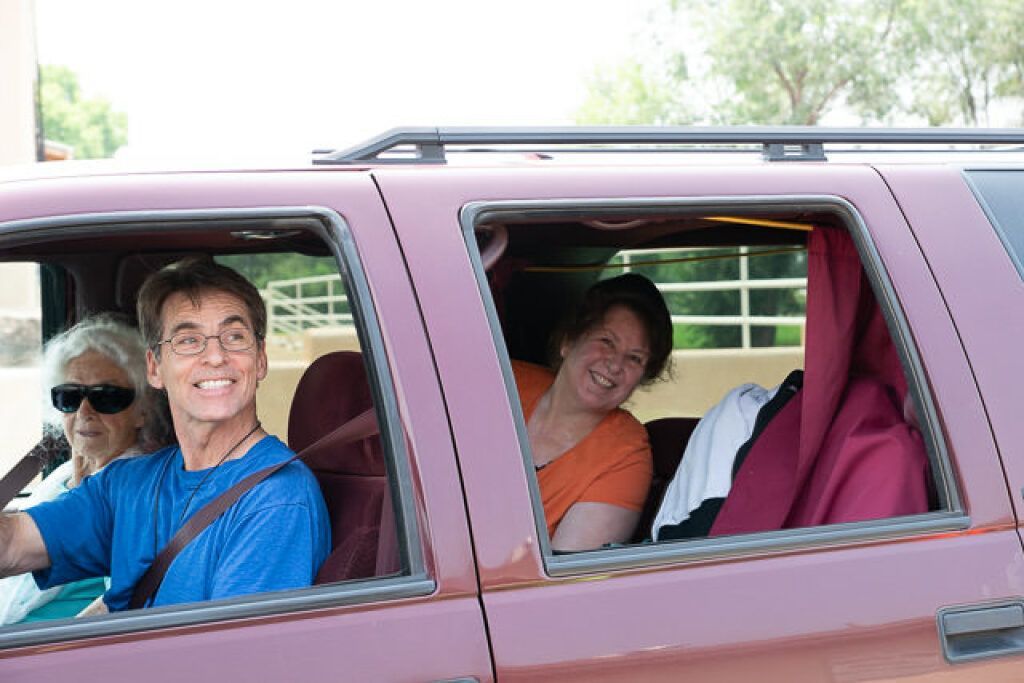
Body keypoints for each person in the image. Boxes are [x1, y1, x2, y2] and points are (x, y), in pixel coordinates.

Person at [0, 256, 331, 613]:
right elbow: (13, 545)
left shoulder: (276, 499)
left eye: (234, 337)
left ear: (260, 359)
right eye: (188, 340)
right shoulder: (128, 483)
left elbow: (233, 660)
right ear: (155, 368)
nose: (216, 356)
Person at [0, 314, 170, 624]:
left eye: (107, 397)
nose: (85, 411)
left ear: (143, 410)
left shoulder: (140, 496)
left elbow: (117, 608)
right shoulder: (63, 475)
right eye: (69, 397)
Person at [513, 273, 672, 551]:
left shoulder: (625, 452)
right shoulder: (503, 383)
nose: (614, 364)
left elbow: (567, 579)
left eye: (635, 358)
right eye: (606, 341)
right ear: (568, 341)